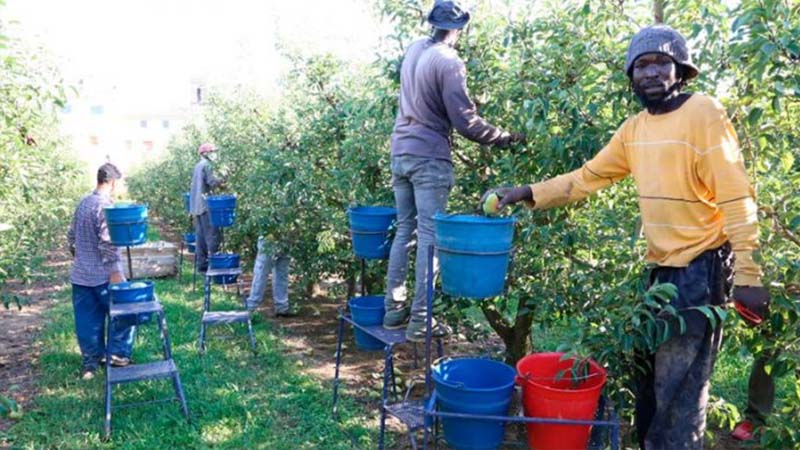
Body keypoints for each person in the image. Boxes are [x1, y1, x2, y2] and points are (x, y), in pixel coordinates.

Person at [483, 25, 771, 449]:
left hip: (702, 269)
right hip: (660, 275)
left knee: (681, 391)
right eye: (642, 65)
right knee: (651, 384)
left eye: (661, 63)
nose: (651, 72)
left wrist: (748, 273)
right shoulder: (634, 129)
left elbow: (735, 193)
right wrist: (527, 193)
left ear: (681, 71)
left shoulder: (704, 114)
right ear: (631, 76)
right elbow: (586, 178)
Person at [383, 0, 525, 342]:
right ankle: (420, 322)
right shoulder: (448, 61)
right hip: (428, 156)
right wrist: (503, 138)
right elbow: (465, 121)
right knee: (431, 236)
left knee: (406, 231)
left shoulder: (416, 48)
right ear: (459, 29)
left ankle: (393, 310)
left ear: (433, 23)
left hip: (401, 150)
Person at [67, 163, 135, 380]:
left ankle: (91, 362)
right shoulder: (106, 206)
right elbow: (107, 242)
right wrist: (115, 272)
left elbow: (71, 236)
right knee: (125, 312)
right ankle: (117, 354)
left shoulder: (83, 202)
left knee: (87, 319)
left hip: (80, 275)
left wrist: (79, 258)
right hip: (103, 275)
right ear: (113, 182)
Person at [189, 142, 225, 273]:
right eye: (213, 152)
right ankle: (216, 265)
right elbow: (212, 182)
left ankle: (202, 265)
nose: (215, 154)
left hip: (196, 206)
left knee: (200, 237)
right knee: (212, 235)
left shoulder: (198, 165)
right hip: (206, 206)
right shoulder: (208, 165)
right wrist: (225, 179)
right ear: (206, 154)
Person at [245, 236, 293, 317]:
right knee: (261, 273)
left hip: (286, 238)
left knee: (281, 275)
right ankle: (251, 307)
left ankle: (282, 308)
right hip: (268, 239)